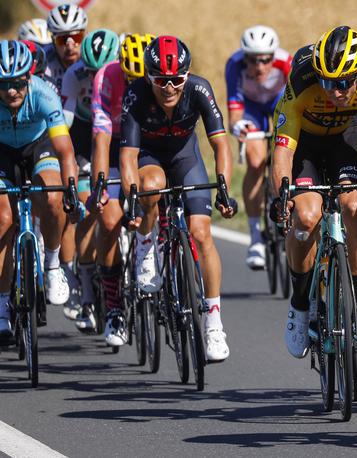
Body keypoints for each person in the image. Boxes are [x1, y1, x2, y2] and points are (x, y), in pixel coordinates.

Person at [270, 26, 357, 358]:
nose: (336, 91)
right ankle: (300, 304)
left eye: (343, 83)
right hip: (306, 144)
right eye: (328, 82)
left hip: (347, 137)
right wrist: (280, 197)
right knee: (307, 215)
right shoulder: (301, 83)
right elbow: (283, 152)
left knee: (356, 209)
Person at [119, 36, 236, 361]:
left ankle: (213, 321)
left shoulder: (199, 90)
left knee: (201, 233)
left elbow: (221, 145)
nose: (169, 87)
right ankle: (145, 245)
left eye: (176, 79)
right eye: (160, 80)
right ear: (148, 77)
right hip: (149, 156)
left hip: (186, 157)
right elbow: (127, 156)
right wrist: (132, 197)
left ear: (186, 75)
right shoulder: (136, 95)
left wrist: (224, 187)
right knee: (152, 186)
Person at [0, 40, 81, 342]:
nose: (11, 92)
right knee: (3, 219)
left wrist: (71, 187)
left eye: (18, 83)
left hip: (39, 147)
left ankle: (53, 263)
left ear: (29, 77)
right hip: (3, 153)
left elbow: (66, 152)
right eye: (3, 84)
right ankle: (1, 306)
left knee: (52, 196)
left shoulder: (44, 93)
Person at [79, 33, 155, 339]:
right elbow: (100, 137)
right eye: (130, 77)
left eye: (142, 78)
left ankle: (162, 256)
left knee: (156, 196)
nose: (135, 83)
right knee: (109, 219)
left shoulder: (161, 82)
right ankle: (113, 308)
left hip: (147, 148)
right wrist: (99, 187)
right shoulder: (106, 77)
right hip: (113, 147)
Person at [60, 29, 119, 323]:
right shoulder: (73, 74)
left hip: (118, 131)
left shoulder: (124, 74)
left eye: (102, 72)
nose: (97, 79)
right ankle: (85, 293)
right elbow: (65, 126)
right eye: (91, 72)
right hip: (84, 135)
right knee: (87, 209)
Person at [225, 25, 292, 269]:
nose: (260, 66)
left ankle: (282, 205)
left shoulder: (287, 63)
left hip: (279, 104)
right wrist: (238, 126)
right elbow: (234, 113)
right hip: (252, 110)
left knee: (285, 155)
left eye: (266, 60)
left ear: (274, 57)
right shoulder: (234, 65)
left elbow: (298, 104)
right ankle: (254, 236)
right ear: (245, 57)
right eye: (253, 60)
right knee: (255, 161)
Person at [45, 3, 89, 314]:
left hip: (85, 129)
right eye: (62, 39)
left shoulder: (94, 57)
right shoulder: (43, 64)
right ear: (52, 40)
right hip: (53, 132)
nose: (70, 44)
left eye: (75, 36)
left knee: (83, 200)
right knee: (64, 200)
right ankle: (68, 268)